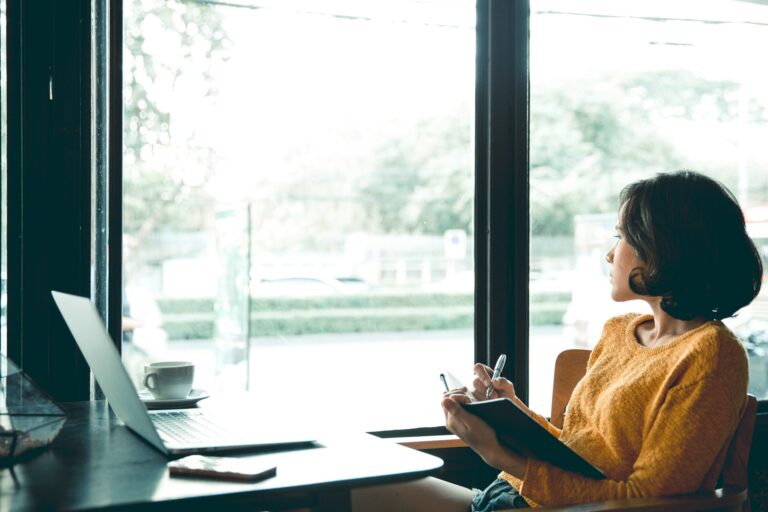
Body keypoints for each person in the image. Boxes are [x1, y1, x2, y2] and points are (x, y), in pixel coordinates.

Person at [351, 170, 763, 511]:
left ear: (662, 250)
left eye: (620, 237)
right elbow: (580, 452)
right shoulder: (619, 331)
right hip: (507, 497)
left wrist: (497, 454)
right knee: (339, 491)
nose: (609, 254)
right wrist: (509, 410)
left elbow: (647, 499)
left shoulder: (711, 354)